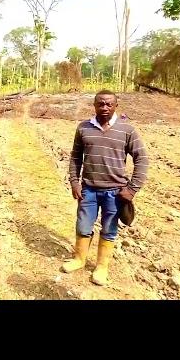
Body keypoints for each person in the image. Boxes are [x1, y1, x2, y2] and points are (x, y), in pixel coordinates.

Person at [64, 89, 149, 285]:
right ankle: (79, 259)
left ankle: (102, 267)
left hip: (115, 193)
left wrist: (132, 189)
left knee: (109, 229)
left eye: (109, 104)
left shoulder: (127, 130)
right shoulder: (83, 128)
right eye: (100, 104)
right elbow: (75, 157)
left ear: (115, 106)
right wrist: (74, 182)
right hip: (89, 190)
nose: (104, 107)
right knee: (83, 225)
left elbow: (142, 160)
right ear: (94, 105)